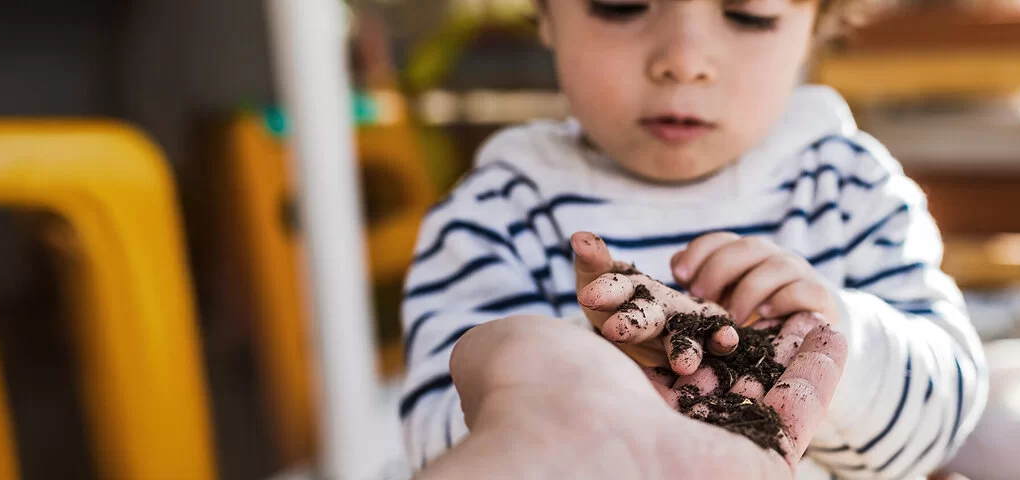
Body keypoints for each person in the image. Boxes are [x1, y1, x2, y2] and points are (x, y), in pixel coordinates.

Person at [399, 0, 989, 477]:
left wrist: (835, 337)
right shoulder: (498, 214)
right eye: (620, 6)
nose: (683, 60)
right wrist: (572, 387)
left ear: (814, 26)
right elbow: (435, 440)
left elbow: (944, 415)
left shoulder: (850, 187)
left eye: (748, 15)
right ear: (546, 14)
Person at [419, 315, 846, 479]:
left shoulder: (852, 181)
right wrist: (528, 412)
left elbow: (916, 431)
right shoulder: (501, 198)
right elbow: (426, 416)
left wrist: (855, 369)